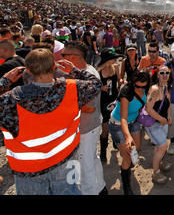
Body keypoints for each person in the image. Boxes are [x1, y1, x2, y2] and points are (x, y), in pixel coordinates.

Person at [0, 48, 102, 195]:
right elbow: (96, 83)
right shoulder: (72, 89)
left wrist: (5, 80)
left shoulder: (10, 101)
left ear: (27, 70)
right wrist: (75, 71)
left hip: (29, 172)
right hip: (64, 162)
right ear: (54, 67)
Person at [62, 41, 107, 195]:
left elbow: (90, 107)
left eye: (63, 55)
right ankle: (100, 187)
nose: (59, 58)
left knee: (85, 164)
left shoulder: (88, 75)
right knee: (91, 159)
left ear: (73, 57)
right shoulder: (85, 72)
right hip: (88, 126)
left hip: (86, 128)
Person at [109, 70, 150, 195]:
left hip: (134, 121)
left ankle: (119, 145)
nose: (140, 89)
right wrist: (127, 137)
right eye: (138, 86)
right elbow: (123, 118)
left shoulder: (145, 88)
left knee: (137, 148)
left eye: (143, 87)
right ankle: (126, 186)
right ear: (133, 83)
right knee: (127, 156)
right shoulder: (126, 93)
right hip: (118, 124)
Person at [143, 65, 173, 184]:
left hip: (162, 122)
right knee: (162, 146)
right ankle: (155, 172)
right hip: (153, 124)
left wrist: (168, 116)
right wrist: (162, 119)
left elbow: (169, 104)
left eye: (167, 72)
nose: (165, 75)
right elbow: (149, 109)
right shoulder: (155, 90)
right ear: (157, 75)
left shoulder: (167, 87)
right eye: (162, 73)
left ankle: (159, 162)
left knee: (159, 147)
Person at [97, 48, 123, 163]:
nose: (115, 60)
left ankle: (115, 142)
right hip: (103, 102)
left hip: (114, 100)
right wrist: (100, 88)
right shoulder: (97, 71)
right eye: (113, 58)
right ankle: (103, 153)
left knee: (116, 123)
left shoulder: (115, 67)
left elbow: (119, 79)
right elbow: (92, 87)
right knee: (105, 128)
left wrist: (121, 83)